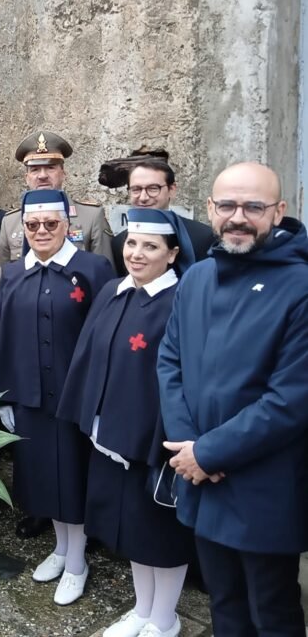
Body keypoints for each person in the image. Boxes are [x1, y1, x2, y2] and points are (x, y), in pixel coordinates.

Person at [157, 162, 308, 637]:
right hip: (200, 477)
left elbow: (291, 399)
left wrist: (209, 452)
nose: (238, 217)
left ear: (279, 212)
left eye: (254, 207)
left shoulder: (301, 287)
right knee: (224, 603)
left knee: (272, 613)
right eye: (227, 205)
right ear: (210, 209)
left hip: (265, 485)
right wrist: (188, 447)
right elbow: (170, 361)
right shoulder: (197, 277)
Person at [58, 208, 196, 637]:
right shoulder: (115, 291)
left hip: (153, 442)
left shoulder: (180, 302)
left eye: (150, 246)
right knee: (136, 535)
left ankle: (164, 619)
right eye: (132, 243)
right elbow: (87, 355)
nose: (136, 254)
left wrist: (161, 440)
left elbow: (183, 379)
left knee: (160, 535)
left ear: (172, 254)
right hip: (110, 437)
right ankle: (141, 610)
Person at [0, 189, 114, 606]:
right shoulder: (12, 273)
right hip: (31, 396)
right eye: (32, 225)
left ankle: (77, 562)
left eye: (50, 224)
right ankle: (60, 549)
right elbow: (0, 336)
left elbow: (105, 338)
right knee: (43, 479)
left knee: (72, 479)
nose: (41, 231)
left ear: (68, 226)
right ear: (22, 227)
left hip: (75, 398)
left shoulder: (93, 269)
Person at [0, 130, 114, 267]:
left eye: (50, 168)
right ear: (26, 178)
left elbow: (105, 274)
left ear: (63, 174)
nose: (42, 176)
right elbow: (1, 278)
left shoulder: (91, 217)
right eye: (35, 169)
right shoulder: (10, 222)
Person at [111, 159, 215, 276]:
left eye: (153, 188)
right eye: (136, 189)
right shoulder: (118, 242)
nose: (143, 197)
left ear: (172, 190)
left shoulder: (202, 237)